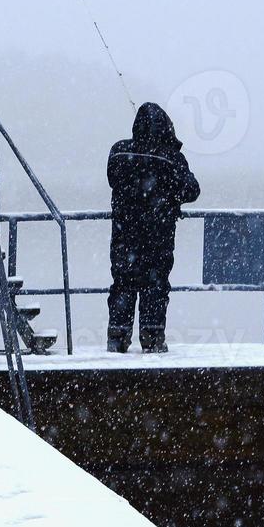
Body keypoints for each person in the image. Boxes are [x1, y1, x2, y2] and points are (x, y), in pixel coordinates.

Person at [106, 102, 200, 353]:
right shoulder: (171, 158)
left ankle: (117, 337)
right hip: (158, 234)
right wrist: (168, 195)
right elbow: (192, 190)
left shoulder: (118, 151)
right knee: (155, 285)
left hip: (124, 234)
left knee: (122, 283)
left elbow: (112, 179)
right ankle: (152, 337)